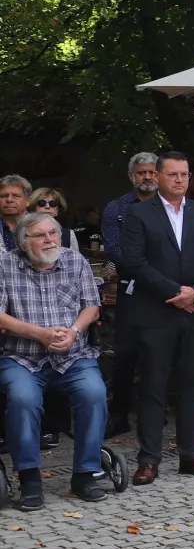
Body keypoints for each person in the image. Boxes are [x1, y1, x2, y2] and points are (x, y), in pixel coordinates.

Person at [121, 151, 194, 484]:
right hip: (156, 311)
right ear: (158, 177)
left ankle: (190, 455)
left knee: (190, 386)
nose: (179, 180)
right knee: (153, 386)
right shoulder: (138, 213)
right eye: (172, 174)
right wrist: (176, 293)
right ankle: (148, 460)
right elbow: (134, 263)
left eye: (184, 174)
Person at [0, 212, 110, 507]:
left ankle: (85, 474)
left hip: (73, 355)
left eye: (53, 233)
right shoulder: (4, 265)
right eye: (40, 235)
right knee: (22, 399)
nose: (50, 240)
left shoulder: (75, 261)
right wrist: (39, 334)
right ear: (23, 243)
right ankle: (30, 479)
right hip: (22, 357)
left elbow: (92, 307)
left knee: (94, 393)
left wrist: (73, 333)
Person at [102, 151, 160, 438]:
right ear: (131, 176)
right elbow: (114, 249)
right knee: (125, 353)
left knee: (158, 354)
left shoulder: (170, 206)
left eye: (151, 172)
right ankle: (120, 414)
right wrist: (147, 272)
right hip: (132, 288)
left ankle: (153, 413)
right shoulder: (116, 209)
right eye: (141, 172)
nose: (147, 177)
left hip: (164, 291)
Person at [28, 188, 79, 252]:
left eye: (53, 203)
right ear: (33, 208)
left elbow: (75, 257)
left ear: (57, 210)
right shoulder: (24, 232)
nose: (47, 206)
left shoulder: (69, 234)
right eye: (41, 203)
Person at [0, 175, 32, 253]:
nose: (9, 200)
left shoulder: (39, 225)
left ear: (28, 201)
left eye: (16, 196)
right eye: (4, 196)